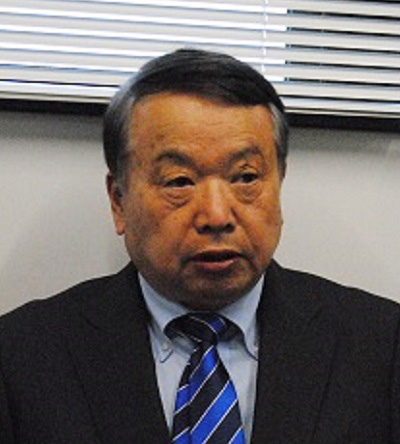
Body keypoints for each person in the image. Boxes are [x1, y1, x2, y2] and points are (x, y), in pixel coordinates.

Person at [0, 48, 399, 444]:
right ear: (118, 200)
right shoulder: (22, 356)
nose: (216, 215)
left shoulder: (381, 345)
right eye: (179, 181)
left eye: (245, 177)